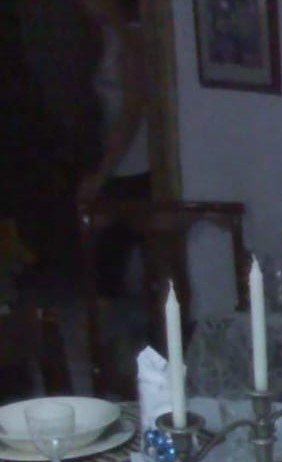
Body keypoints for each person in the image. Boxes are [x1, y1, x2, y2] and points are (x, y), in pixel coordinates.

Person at [76, 0, 149, 299]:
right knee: (106, 255)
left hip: (135, 161)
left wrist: (101, 175)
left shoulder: (133, 40)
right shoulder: (106, 36)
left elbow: (131, 114)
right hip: (116, 159)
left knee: (111, 249)